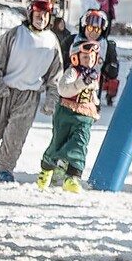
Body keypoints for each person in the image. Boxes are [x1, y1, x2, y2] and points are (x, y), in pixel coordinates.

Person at [0, 0, 63, 182]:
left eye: (45, 15)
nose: (41, 18)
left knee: (16, 135)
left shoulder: (51, 42)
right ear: (30, 14)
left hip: (29, 96)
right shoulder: (15, 34)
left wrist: (52, 99)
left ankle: (4, 168)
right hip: (4, 91)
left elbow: (55, 75)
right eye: (38, 14)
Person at [37, 37, 102, 191]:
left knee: (80, 143)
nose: (89, 60)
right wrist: (81, 83)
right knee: (58, 142)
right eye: (85, 57)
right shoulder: (73, 72)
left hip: (84, 114)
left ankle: (72, 177)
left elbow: (93, 92)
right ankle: (47, 169)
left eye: (92, 57)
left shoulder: (93, 75)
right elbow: (63, 90)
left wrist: (96, 103)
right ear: (76, 57)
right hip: (66, 112)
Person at [73, 8, 120, 108]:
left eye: (97, 29)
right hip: (71, 87)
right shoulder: (73, 41)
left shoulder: (106, 46)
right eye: (90, 28)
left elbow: (113, 72)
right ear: (84, 27)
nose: (93, 33)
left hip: (93, 90)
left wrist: (110, 66)